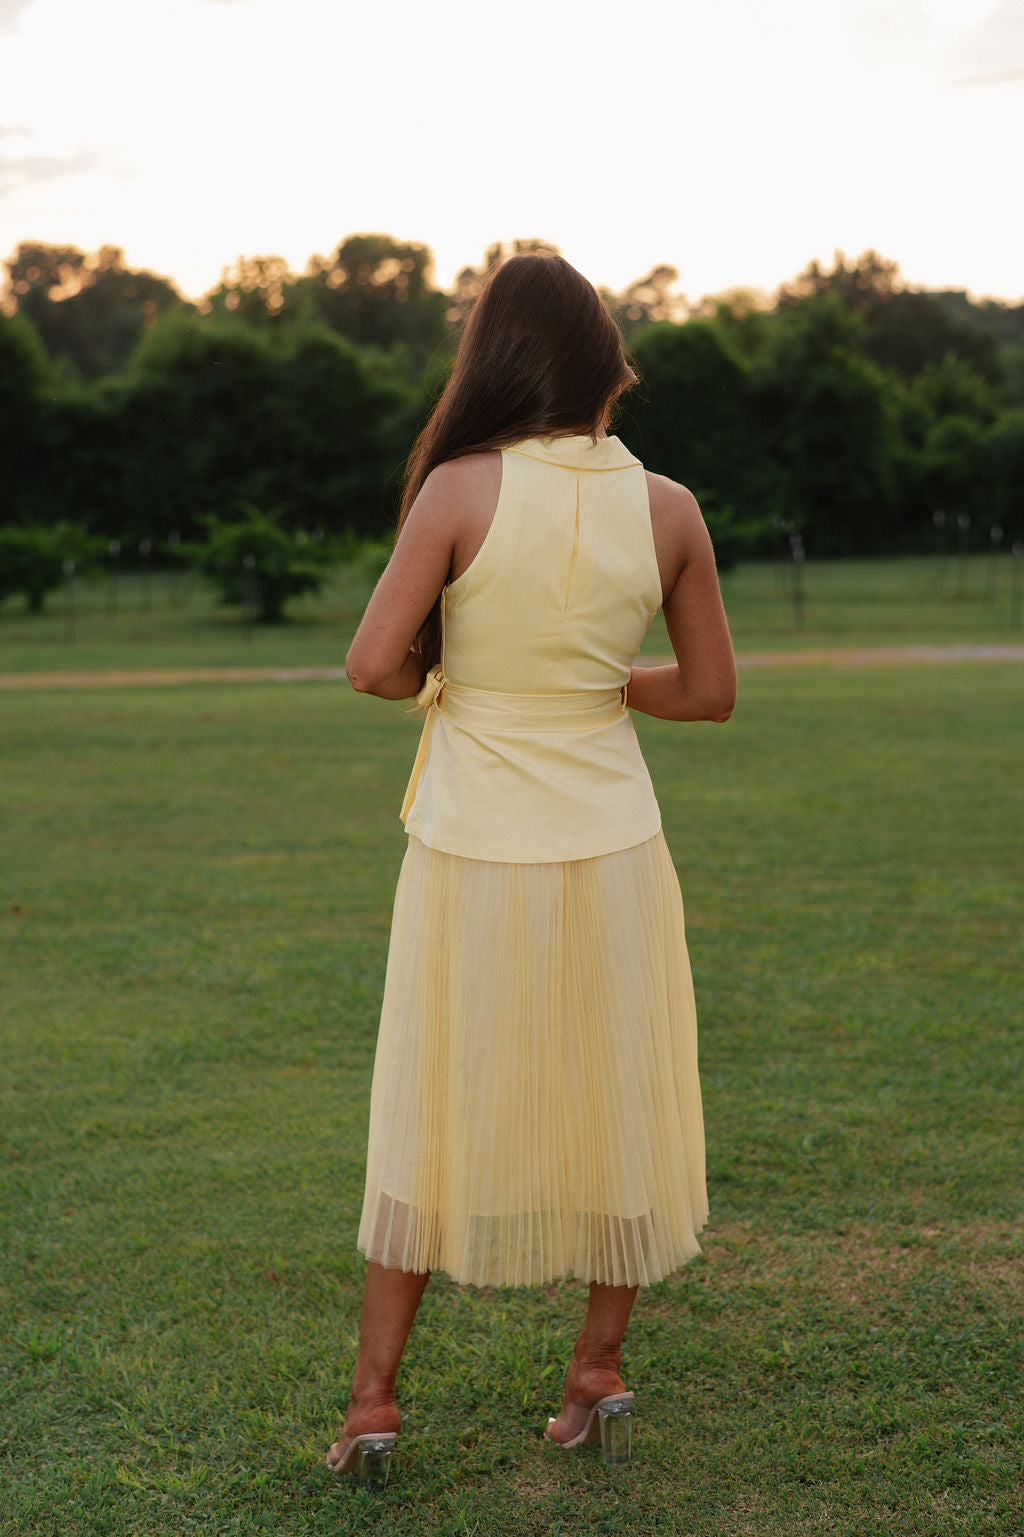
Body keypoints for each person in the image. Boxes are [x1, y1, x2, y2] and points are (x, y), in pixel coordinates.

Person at [328, 254, 736, 1486]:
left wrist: (457, 684)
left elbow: (371, 665)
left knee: (431, 1101)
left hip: (471, 850)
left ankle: (373, 1404)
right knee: (619, 1093)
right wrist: (607, 685)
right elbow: (709, 692)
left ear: (495, 360)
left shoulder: (459, 487)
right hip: (612, 845)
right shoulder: (667, 505)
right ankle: (598, 1372)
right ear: (604, 358)